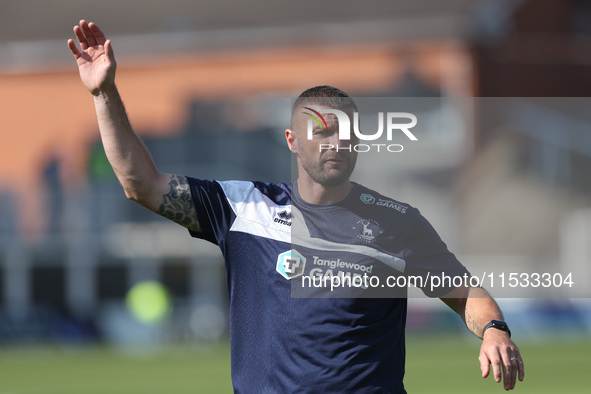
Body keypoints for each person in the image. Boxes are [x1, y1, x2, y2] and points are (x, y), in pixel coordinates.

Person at [68, 20, 524, 392]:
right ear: (292, 141)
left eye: (345, 131)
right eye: (322, 131)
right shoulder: (244, 207)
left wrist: (494, 330)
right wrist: (103, 93)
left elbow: (464, 292)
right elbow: (139, 183)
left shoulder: (396, 222)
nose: (336, 142)